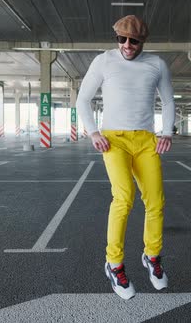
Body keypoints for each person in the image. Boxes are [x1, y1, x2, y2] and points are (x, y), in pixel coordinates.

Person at [76, 15, 175, 300]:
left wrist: (166, 132)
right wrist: (93, 132)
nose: (127, 46)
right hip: (113, 140)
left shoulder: (157, 64)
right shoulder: (103, 61)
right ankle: (114, 263)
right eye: (122, 39)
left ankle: (152, 257)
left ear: (143, 41)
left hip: (146, 140)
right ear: (116, 38)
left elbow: (168, 100)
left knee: (155, 200)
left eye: (134, 41)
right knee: (124, 197)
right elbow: (83, 99)